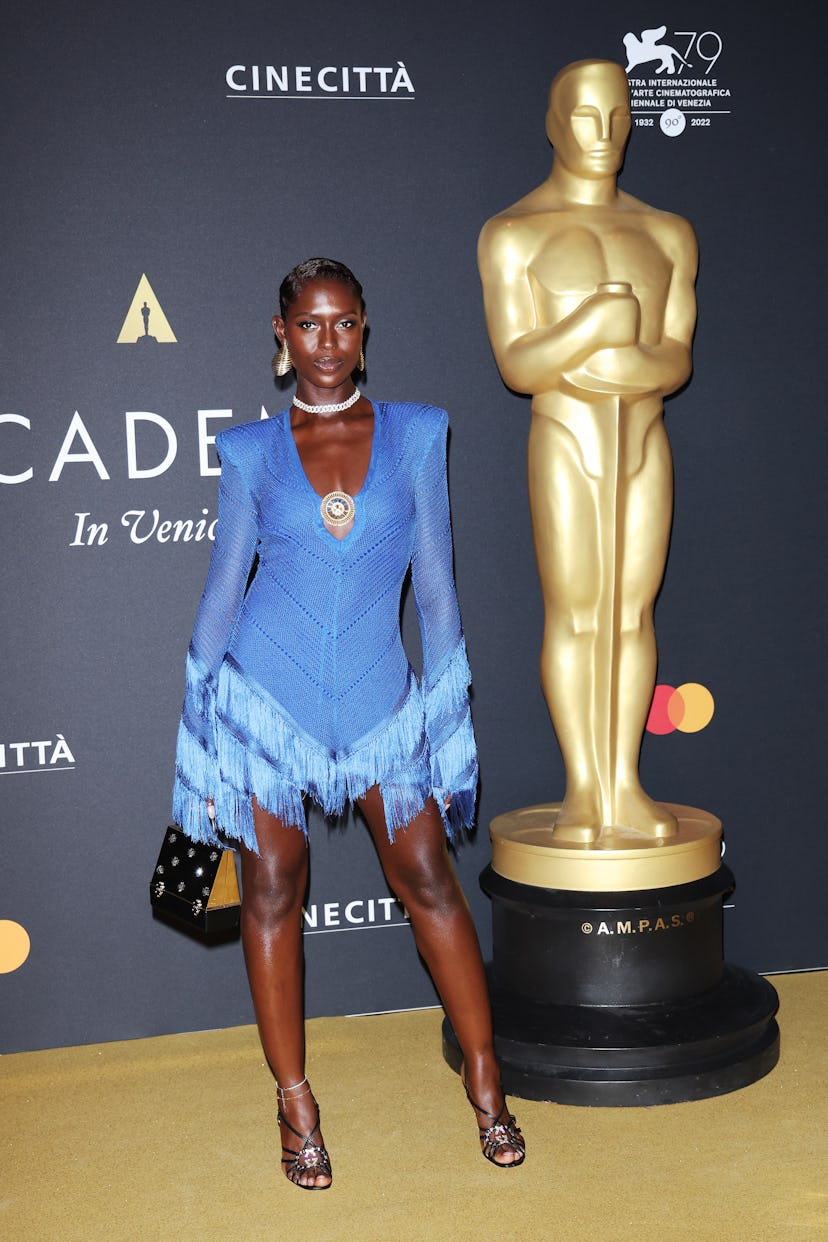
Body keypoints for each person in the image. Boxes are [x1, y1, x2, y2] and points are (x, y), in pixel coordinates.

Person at [173, 258, 525, 1188]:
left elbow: (439, 589)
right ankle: (295, 1104)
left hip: (379, 697)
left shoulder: (418, 434)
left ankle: (487, 1078)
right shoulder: (249, 452)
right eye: (308, 325)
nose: (327, 341)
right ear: (281, 338)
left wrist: (442, 712)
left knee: (429, 880)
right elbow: (223, 591)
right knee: (272, 889)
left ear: (365, 327)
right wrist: (199, 720)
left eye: (343, 323)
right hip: (266, 698)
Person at [478, 60, 698, 844]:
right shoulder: (513, 234)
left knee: (631, 611)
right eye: (583, 117)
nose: (602, 135)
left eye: (616, 116)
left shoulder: (666, 233)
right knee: (576, 612)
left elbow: (676, 357)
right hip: (567, 437)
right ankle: (583, 788)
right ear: (552, 121)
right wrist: (592, 331)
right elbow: (519, 364)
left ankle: (625, 784)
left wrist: (623, 363)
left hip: (642, 435)